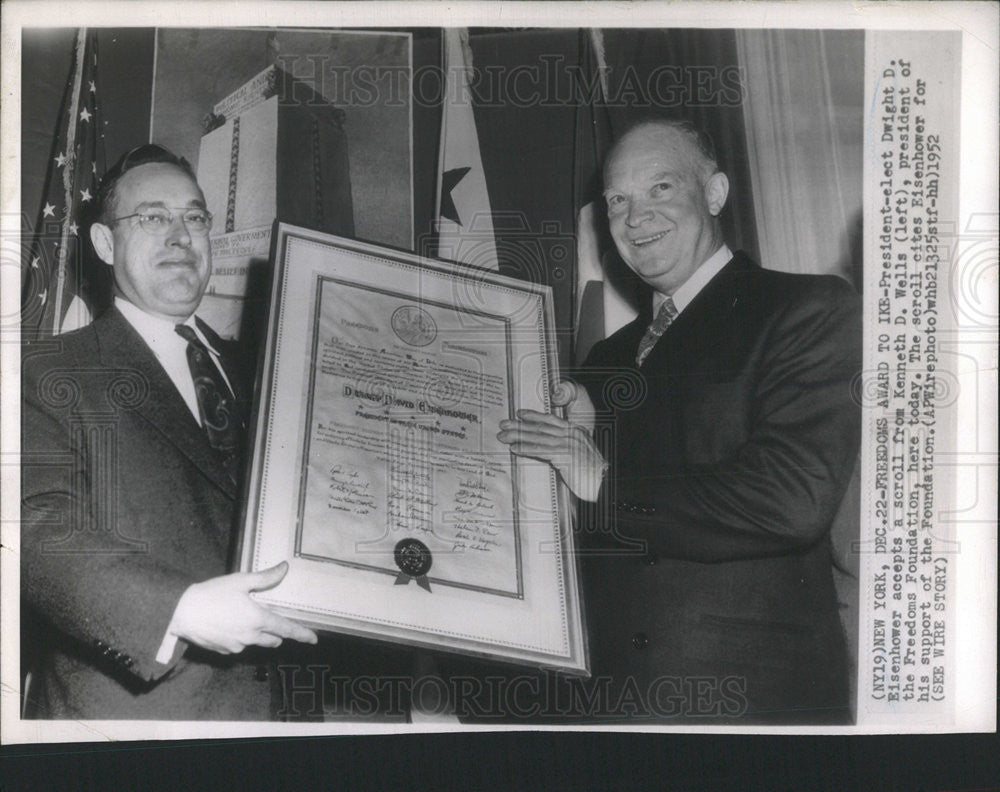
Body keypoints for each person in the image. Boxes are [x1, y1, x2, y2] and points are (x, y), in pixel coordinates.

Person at [498, 120, 861, 724]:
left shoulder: (806, 308)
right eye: (618, 199)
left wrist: (600, 479)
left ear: (714, 194)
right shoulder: (606, 361)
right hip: (603, 705)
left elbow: (791, 499)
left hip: (747, 705)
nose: (636, 217)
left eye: (661, 188)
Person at [21, 144, 317, 720]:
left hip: (284, 717)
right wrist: (177, 609)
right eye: (154, 217)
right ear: (106, 244)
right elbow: (36, 532)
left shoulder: (272, 374)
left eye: (196, 218)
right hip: (134, 722)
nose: (182, 236)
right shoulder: (51, 371)